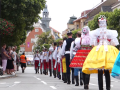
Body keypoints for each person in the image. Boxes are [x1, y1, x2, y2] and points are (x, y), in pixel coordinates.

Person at [82, 15, 119, 90]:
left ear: (99, 23)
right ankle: (108, 88)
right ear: (106, 23)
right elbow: (114, 43)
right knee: (107, 71)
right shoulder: (110, 32)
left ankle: (100, 88)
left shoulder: (95, 32)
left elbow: (93, 44)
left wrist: (98, 46)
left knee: (100, 71)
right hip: (108, 50)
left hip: (98, 50)